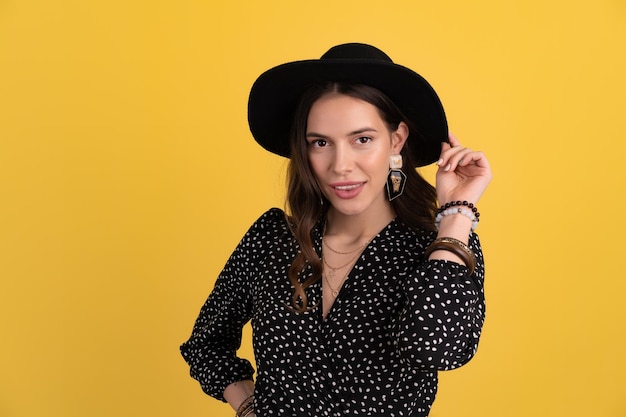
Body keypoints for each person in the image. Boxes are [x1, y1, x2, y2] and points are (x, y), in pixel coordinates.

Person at [180, 43, 492, 417]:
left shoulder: (441, 250)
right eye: (321, 143)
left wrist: (457, 211)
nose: (340, 165)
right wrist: (249, 407)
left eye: (362, 139)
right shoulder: (272, 239)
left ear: (396, 140)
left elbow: (436, 348)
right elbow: (206, 343)